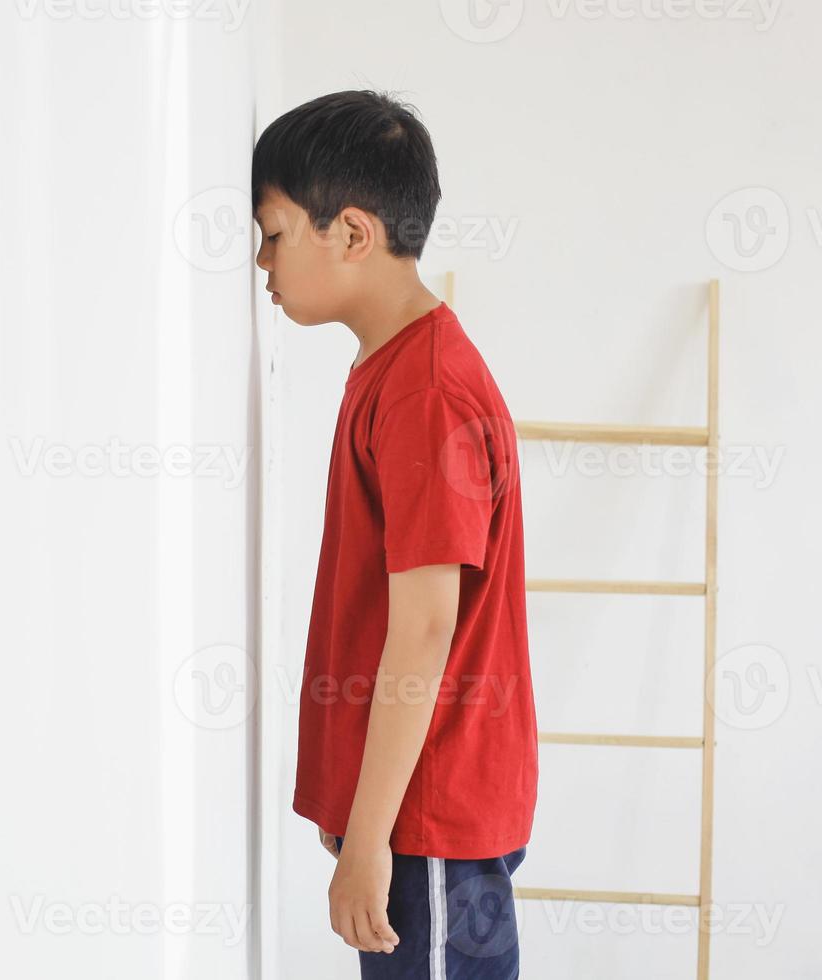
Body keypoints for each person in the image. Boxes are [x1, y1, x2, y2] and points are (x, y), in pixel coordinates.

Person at [252, 89, 540, 979]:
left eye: (274, 232)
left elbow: (425, 624)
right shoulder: (395, 371)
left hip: (430, 819)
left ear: (352, 233)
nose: (261, 261)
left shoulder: (425, 392)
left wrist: (371, 836)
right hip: (417, 817)